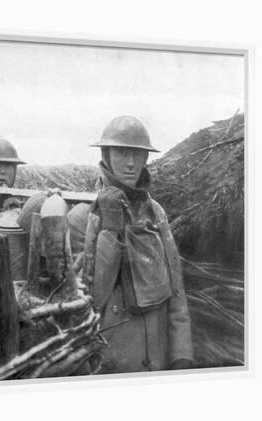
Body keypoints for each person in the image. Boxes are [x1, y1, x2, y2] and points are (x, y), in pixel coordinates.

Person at [76, 115, 194, 373]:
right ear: (106, 155)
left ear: (146, 159)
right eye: (121, 152)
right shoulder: (84, 217)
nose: (130, 163)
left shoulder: (156, 213)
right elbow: (91, 300)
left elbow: (176, 289)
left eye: (138, 154)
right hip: (113, 360)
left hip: (157, 355)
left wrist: (181, 353)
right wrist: (109, 229)